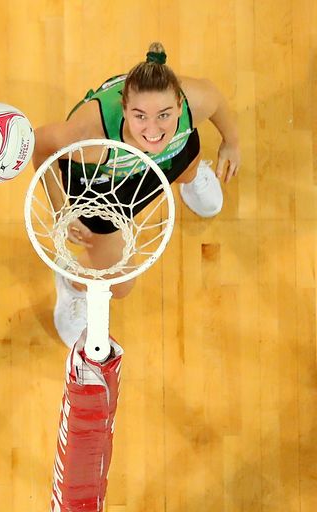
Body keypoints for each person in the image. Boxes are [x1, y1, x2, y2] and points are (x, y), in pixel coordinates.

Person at [32, 42, 240, 348]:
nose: (153, 129)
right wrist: (62, 208)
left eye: (165, 115)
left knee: (188, 161)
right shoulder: (89, 137)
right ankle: (73, 284)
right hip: (103, 186)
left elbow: (216, 98)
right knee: (121, 286)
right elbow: (39, 145)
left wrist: (231, 142)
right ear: (125, 107)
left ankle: (191, 179)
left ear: (180, 106)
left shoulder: (196, 101)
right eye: (140, 116)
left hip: (163, 162)